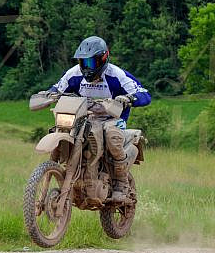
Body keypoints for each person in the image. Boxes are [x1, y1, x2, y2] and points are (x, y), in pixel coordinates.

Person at [42, 36, 151, 202]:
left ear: (103, 58)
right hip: (82, 118)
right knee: (60, 128)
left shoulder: (117, 75)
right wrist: (49, 93)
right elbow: (58, 88)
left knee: (112, 137)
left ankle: (121, 182)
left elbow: (144, 93)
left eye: (91, 62)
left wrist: (128, 98)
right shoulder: (73, 74)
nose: (87, 67)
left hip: (112, 119)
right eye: (83, 62)